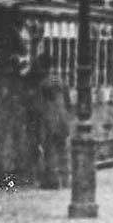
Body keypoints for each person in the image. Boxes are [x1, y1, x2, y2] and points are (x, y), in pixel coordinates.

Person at [25, 53, 72, 189]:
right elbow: (68, 102)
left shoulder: (43, 84)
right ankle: (66, 180)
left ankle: (52, 181)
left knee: (50, 150)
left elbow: (38, 106)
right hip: (63, 120)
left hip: (50, 120)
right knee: (63, 150)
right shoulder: (61, 81)